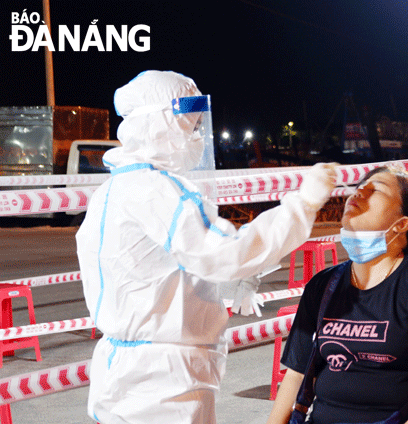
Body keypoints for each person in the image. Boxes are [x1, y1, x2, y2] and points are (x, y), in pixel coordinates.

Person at [76, 70, 338, 424]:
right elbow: (224, 255)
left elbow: (159, 268)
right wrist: (302, 206)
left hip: (125, 372)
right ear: (161, 123)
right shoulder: (158, 189)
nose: (198, 134)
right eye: (191, 124)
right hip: (165, 381)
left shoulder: (111, 191)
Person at [267, 166, 408, 424]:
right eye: (360, 186)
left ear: (401, 224)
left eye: (376, 190)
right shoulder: (323, 285)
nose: (359, 191)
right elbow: (296, 374)